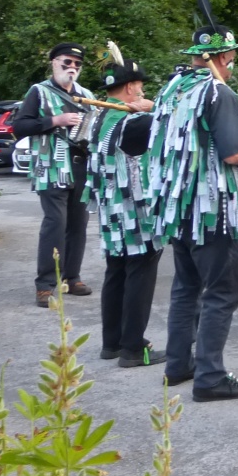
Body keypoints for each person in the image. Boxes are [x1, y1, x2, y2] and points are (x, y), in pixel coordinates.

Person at [146, 22, 238, 402]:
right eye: (233, 57)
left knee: (186, 289)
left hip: (179, 209)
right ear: (224, 57)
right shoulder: (218, 92)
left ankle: (178, 364)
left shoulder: (172, 90)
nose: (233, 64)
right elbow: (233, 153)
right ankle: (210, 376)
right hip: (214, 209)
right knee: (221, 294)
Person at [85, 51, 165, 368]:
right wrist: (153, 107)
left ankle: (112, 343)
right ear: (130, 88)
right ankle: (133, 347)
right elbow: (177, 123)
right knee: (140, 272)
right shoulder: (135, 121)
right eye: (141, 87)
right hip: (135, 211)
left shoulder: (99, 118)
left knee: (116, 271)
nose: (143, 92)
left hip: (109, 209)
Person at [13, 43, 94, 307]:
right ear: (54, 62)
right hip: (51, 167)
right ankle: (45, 284)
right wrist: (54, 121)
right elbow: (20, 127)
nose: (72, 67)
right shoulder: (39, 91)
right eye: (67, 62)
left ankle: (72, 277)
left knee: (78, 224)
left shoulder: (86, 94)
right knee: (55, 224)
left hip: (81, 166)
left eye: (77, 64)